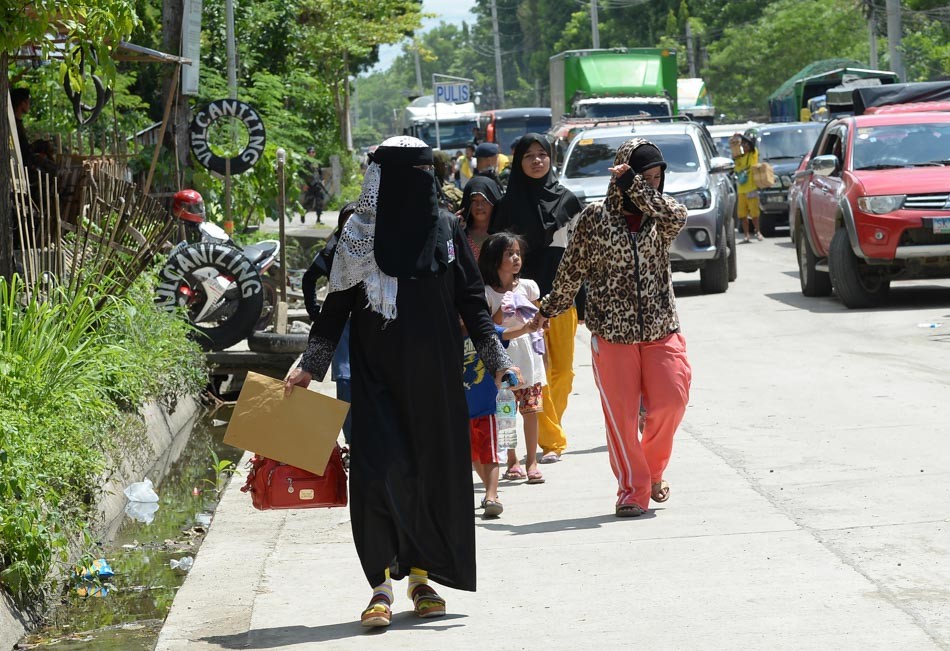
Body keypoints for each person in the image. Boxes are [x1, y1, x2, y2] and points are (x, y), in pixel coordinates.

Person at [284, 136, 518, 628]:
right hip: (375, 380)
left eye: (422, 172)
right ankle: (379, 588)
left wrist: (497, 359)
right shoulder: (358, 232)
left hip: (436, 382)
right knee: (375, 475)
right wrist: (311, 363)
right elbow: (337, 305)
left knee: (429, 476)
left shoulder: (448, 229)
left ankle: (420, 579)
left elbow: (472, 304)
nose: (418, 183)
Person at [535, 138, 692, 518]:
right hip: (612, 333)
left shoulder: (660, 216)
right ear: (624, 177)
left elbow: (679, 215)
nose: (652, 185)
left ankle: (652, 471)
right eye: (645, 177)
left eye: (657, 178)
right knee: (621, 418)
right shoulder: (593, 219)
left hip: (660, 327)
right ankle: (633, 491)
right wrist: (548, 309)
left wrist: (637, 188)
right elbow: (572, 272)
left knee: (672, 400)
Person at [491, 133, 582, 464]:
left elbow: (577, 254)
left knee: (564, 373)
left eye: (542, 154)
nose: (537, 160)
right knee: (535, 374)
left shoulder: (568, 200)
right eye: (529, 155)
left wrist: (581, 299)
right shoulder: (507, 207)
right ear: (518, 161)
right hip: (522, 303)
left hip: (561, 297)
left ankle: (550, 428)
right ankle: (551, 439)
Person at [480, 232, 548, 485]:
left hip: (528, 356)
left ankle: (532, 460)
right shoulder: (487, 293)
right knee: (506, 412)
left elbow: (540, 320)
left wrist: (542, 328)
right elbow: (490, 327)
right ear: (494, 259)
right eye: (509, 253)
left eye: (518, 252)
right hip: (503, 359)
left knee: (531, 411)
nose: (516, 258)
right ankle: (512, 459)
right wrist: (504, 305)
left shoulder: (528, 286)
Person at [10, 87, 57, 176]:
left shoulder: (17, 123)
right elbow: (23, 151)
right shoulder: (14, 125)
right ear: (22, 103)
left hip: (26, 160)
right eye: (28, 102)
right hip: (22, 164)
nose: (29, 105)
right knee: (52, 171)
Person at [459, 175, 502, 260]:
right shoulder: (460, 234)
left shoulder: (505, 232)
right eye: (474, 200)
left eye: (485, 200)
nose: (479, 206)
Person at [731, 134, 762, 243]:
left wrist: (740, 135)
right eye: (743, 144)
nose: (744, 146)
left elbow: (753, 148)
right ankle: (746, 235)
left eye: (746, 144)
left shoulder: (753, 154)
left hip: (751, 188)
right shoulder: (739, 158)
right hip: (741, 190)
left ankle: (758, 231)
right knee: (742, 214)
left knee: (754, 214)